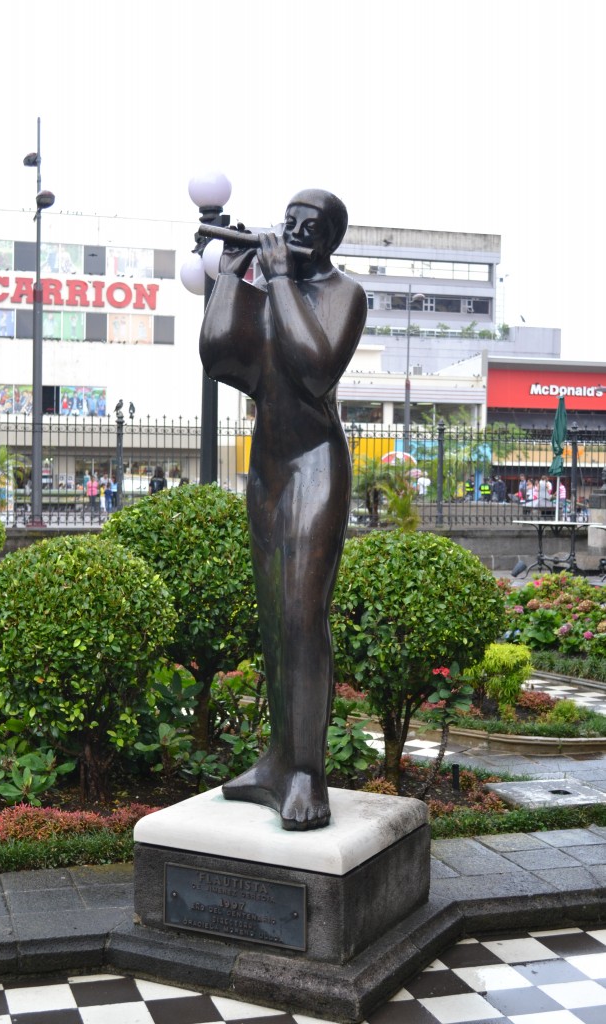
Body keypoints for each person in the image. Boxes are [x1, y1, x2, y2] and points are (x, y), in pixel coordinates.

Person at [200, 189, 367, 830]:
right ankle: (276, 761)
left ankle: (308, 773)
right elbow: (221, 355)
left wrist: (275, 278)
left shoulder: (342, 294)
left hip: (317, 466)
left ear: (328, 240)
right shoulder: (272, 287)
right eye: (288, 220)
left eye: (308, 226)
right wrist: (228, 274)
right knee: (273, 620)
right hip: (267, 471)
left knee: (302, 615)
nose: (292, 231)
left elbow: (315, 367)